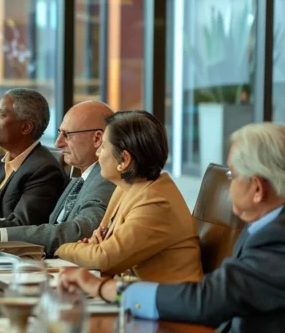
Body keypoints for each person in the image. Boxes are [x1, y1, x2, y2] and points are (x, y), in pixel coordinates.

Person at [59, 123, 285, 333]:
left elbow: (210, 299)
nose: (230, 185)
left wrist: (105, 289)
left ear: (257, 188)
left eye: (233, 176)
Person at [54, 111, 202, 283]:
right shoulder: (126, 188)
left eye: (102, 148)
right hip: (132, 293)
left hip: (166, 304)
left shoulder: (155, 202)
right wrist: (92, 248)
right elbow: (99, 247)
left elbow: (103, 258)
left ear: (124, 160)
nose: (97, 154)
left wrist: (62, 248)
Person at [0, 101, 116, 257]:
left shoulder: (106, 178)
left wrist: (2, 235)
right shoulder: (79, 176)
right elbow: (53, 225)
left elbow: (80, 231)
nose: (58, 143)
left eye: (66, 135)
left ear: (97, 139)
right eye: (59, 133)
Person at [0, 89, 67, 227]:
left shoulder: (44, 171)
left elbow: (21, 225)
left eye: (1, 114)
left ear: (25, 127)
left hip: (3, 246)